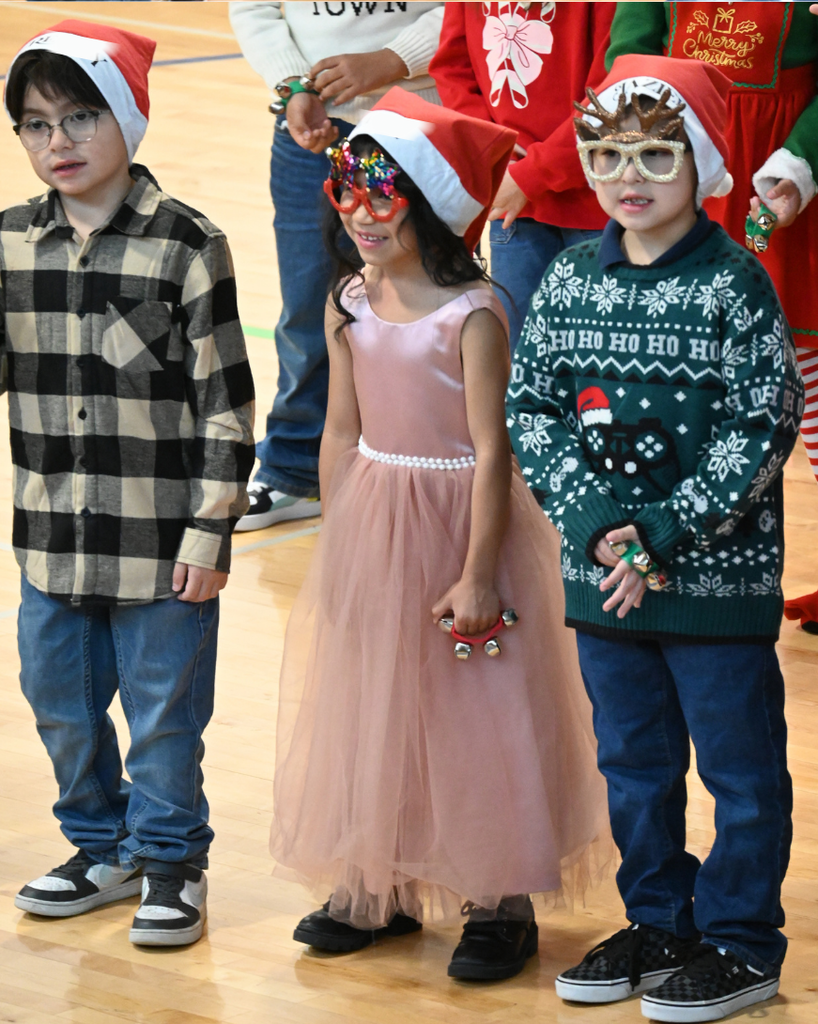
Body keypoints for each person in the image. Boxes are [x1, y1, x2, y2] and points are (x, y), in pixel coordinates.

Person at [269, 87, 609, 982]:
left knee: (476, 712)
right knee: (380, 699)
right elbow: (341, 430)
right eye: (347, 191)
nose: (362, 213)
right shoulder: (350, 301)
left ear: (430, 204)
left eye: (384, 195)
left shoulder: (475, 314)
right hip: (378, 518)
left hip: (464, 524)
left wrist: (479, 572)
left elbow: (494, 452)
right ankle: (378, 886)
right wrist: (340, 541)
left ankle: (499, 899)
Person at [507, 55, 803, 1021]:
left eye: (654, 156)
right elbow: (533, 410)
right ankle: (660, 919)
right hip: (605, 586)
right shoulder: (562, 283)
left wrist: (659, 538)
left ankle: (741, 939)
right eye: (605, 155)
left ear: (704, 162)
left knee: (738, 769)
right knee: (632, 764)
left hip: (711, 585)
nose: (626, 176)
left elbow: (764, 423)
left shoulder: (733, 285)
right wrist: (597, 531)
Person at [1, 21, 255, 946]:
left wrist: (210, 536)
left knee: (162, 721)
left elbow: (227, 409)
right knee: (58, 705)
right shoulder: (9, 245)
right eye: (33, 125)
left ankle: (171, 861)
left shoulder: (188, 244)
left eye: (78, 118)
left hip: (161, 546)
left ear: (130, 118)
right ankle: (101, 847)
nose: (55, 142)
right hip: (49, 539)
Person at [605, 2, 818, 632]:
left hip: (792, 187)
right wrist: (639, 155)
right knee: (694, 390)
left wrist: (799, 165)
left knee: (808, 367)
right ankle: (675, 563)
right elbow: (631, 57)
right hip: (682, 173)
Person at [228, 1, 444, 530]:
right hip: (309, 126)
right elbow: (254, 7)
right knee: (308, 307)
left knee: (420, 305)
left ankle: (420, 471)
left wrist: (395, 58)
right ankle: (294, 471)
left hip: (415, 121)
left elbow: (468, 12)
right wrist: (293, 85)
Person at [430, 0, 615, 349]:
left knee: (597, 354)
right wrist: (491, 150)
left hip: (596, 201)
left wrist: (531, 174)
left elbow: (609, 91)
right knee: (520, 353)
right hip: (512, 201)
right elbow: (452, 68)